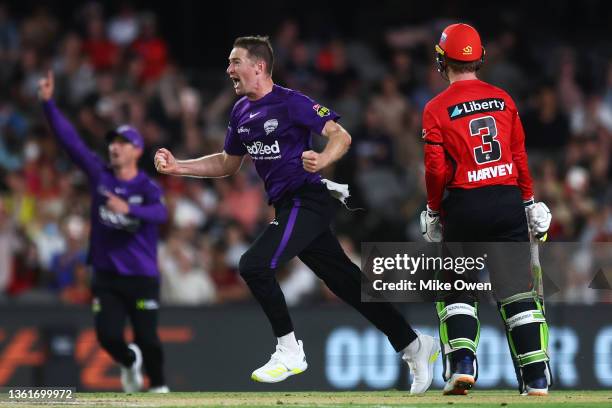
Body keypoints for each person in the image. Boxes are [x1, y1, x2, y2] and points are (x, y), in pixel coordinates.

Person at [154, 35, 439, 394]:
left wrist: (322, 159)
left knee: (254, 265)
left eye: (235, 62)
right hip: (288, 205)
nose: (228, 70)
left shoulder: (291, 103)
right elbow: (227, 163)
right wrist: (179, 167)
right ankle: (414, 345)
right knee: (346, 283)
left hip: (309, 198)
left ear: (258, 66)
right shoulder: (241, 111)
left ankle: (289, 350)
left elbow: (341, 136)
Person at [420, 24, 553, 396]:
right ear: (480, 58)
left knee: (456, 289)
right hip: (507, 199)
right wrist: (528, 202)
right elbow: (518, 156)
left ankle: (462, 365)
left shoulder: (435, 108)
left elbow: (435, 168)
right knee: (517, 294)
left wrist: (433, 209)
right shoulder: (504, 99)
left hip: (464, 204)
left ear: (442, 58)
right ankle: (537, 379)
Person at [38, 71, 169, 393]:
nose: (115, 148)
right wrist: (48, 105)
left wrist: (130, 210)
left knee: (148, 339)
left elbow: (161, 213)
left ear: (137, 150)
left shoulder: (146, 186)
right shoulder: (100, 176)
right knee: (108, 337)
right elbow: (71, 141)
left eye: (123, 144)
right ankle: (128, 362)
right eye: (113, 142)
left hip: (141, 275)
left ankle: (160, 389)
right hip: (106, 274)